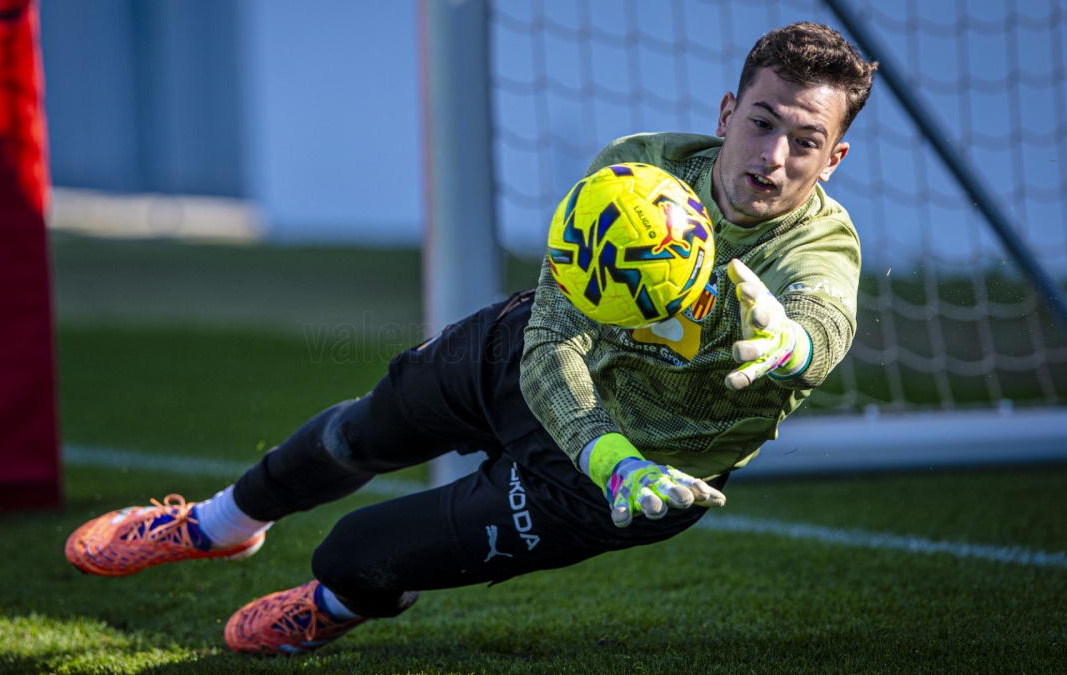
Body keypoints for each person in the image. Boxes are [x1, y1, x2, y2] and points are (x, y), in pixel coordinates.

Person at [65, 21, 876, 656]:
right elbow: (556, 337)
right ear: (728, 113)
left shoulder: (819, 251)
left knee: (357, 553)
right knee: (361, 427)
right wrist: (606, 447)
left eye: (804, 141)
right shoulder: (638, 172)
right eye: (763, 122)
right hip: (534, 365)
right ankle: (216, 525)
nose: (773, 157)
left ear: (832, 158)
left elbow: (824, 315)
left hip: (629, 480)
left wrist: (793, 345)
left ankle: (337, 604)